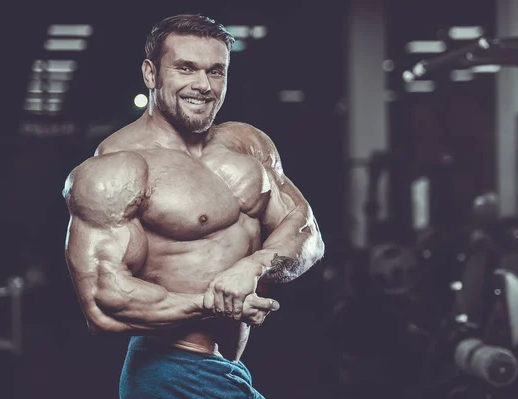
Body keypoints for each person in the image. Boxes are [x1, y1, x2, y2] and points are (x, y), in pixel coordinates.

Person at [62, 13, 325, 399]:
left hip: (226, 369)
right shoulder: (117, 169)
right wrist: (215, 303)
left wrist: (253, 265)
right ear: (151, 74)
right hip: (170, 370)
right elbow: (103, 304)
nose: (203, 85)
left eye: (216, 71)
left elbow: (307, 234)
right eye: (185, 68)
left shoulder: (247, 144)